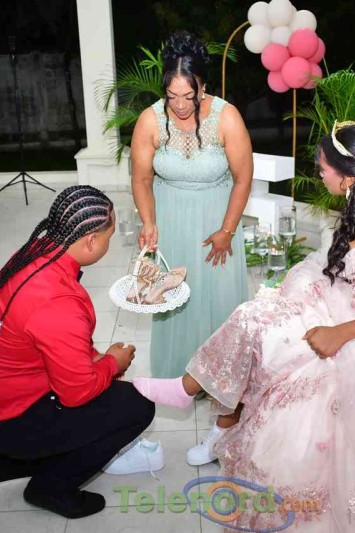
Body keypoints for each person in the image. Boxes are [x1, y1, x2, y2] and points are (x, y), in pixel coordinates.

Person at [132, 123, 355, 532]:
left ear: (347, 174)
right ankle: (196, 395)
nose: (320, 174)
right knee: (255, 316)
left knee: (262, 330)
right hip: (348, 304)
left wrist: (340, 333)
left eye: (323, 168)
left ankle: (193, 393)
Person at [0, 185, 155, 520]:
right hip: (12, 415)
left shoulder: (39, 251)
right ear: (90, 241)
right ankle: (51, 488)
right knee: (137, 405)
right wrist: (112, 364)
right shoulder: (57, 302)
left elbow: (56, 342)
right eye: (109, 237)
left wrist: (96, 359)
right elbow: (77, 392)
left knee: (90, 414)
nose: (109, 243)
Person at [130, 30, 253, 379]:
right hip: (170, 222)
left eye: (189, 95)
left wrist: (227, 231)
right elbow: (141, 179)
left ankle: (221, 379)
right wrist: (149, 222)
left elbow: (243, 178)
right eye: (172, 96)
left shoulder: (227, 117)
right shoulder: (150, 120)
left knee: (218, 298)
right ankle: (177, 376)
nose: (181, 105)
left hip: (217, 222)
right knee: (172, 299)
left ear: (203, 85)